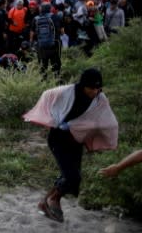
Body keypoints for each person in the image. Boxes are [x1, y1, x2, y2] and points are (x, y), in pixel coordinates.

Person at [24, 68, 118, 223]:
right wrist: (55, 119)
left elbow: (107, 120)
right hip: (58, 138)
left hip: (76, 140)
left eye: (98, 88)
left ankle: (44, 203)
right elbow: (47, 95)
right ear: (83, 85)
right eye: (91, 88)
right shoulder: (66, 92)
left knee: (72, 179)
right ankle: (54, 200)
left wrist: (78, 126)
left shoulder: (100, 99)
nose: (95, 91)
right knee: (72, 176)